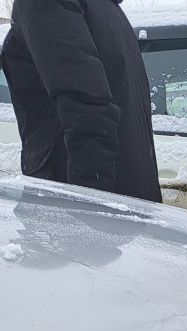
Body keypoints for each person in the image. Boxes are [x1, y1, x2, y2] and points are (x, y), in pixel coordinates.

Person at [2, 0, 161, 202]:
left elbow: (88, 112)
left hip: (75, 207)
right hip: (128, 202)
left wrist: (86, 212)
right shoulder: (104, 8)